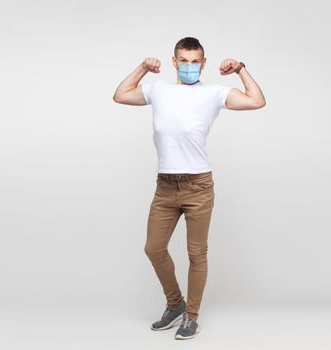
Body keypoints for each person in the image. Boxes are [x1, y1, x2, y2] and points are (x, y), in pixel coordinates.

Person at [112, 37, 266, 340]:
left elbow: (256, 100)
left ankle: (191, 316)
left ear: (204, 64)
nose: (189, 67)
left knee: (197, 254)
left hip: (198, 186)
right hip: (166, 186)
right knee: (154, 249)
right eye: (184, 60)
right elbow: (120, 95)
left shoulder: (213, 93)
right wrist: (143, 68)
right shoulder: (159, 90)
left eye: (196, 62)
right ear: (174, 62)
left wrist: (241, 69)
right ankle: (175, 304)